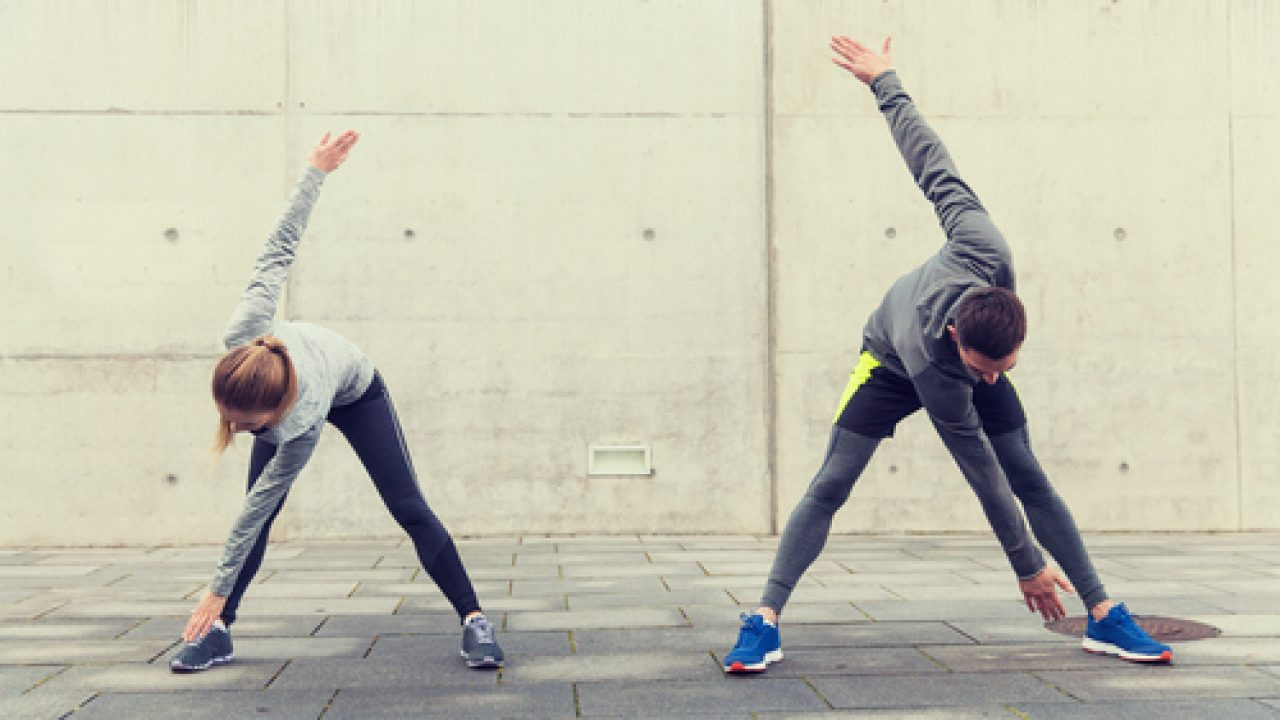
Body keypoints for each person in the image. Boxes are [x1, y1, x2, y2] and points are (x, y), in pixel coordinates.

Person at [722, 36, 1171, 673]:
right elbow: (980, 474)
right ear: (961, 341)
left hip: (950, 350)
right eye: (987, 371)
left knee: (1033, 476)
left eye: (1006, 367)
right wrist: (1027, 567)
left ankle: (1103, 614)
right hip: (890, 360)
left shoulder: (983, 246)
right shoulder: (939, 367)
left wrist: (887, 83)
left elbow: (933, 164)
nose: (994, 379)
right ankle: (763, 619)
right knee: (831, 484)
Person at [170, 131, 504, 672]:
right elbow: (278, 247)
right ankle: (220, 633)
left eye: (250, 427)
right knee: (262, 512)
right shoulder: (244, 329)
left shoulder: (296, 426)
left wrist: (212, 588)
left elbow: (251, 510)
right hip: (295, 376)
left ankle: (474, 619)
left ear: (275, 415)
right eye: (230, 419)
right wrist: (315, 170)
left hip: (355, 388)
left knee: (407, 506)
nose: (237, 430)